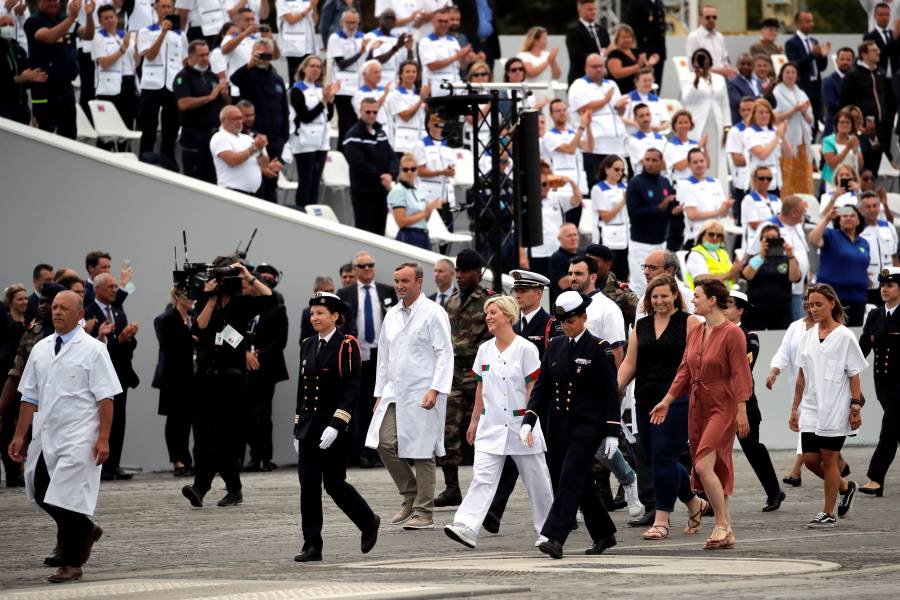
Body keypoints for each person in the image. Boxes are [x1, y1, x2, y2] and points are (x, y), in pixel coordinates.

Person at [7, 291, 120, 583]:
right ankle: (85, 529)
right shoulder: (41, 348)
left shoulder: (94, 350)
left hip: (80, 435)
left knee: (66, 499)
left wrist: (104, 438)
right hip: (47, 434)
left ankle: (72, 564)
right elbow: (29, 396)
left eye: (64, 308)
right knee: (43, 491)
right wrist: (19, 435)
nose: (56, 312)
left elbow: (106, 397)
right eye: (54, 307)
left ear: (79, 314)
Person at [443, 295, 554, 549]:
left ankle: (550, 531)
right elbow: (481, 387)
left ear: (508, 316)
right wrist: (473, 421)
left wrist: (529, 421)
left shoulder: (526, 348)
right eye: (486, 313)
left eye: (493, 312)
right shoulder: (484, 349)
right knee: (482, 477)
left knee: (537, 481)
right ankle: (467, 526)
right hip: (490, 425)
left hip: (521, 426)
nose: (488, 317)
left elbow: (533, 388)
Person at [652, 280, 753, 550]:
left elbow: (740, 373)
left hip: (723, 403)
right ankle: (726, 530)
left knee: (703, 465)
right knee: (716, 466)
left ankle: (721, 524)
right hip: (698, 403)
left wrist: (742, 409)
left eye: (697, 296)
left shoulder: (733, 333)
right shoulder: (696, 331)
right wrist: (667, 400)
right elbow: (685, 370)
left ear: (712, 300)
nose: (692, 300)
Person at [522, 290, 620, 559]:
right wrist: (529, 420)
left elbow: (610, 392)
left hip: (587, 427)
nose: (567, 326)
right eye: (563, 322)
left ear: (584, 317)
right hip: (559, 427)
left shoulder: (599, 349)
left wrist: (612, 430)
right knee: (581, 482)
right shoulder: (555, 345)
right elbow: (542, 388)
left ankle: (554, 536)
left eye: (572, 321)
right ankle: (603, 532)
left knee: (569, 479)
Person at [292, 292, 380, 562]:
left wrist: (336, 424)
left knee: (334, 483)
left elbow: (352, 389)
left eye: (320, 313)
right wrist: (297, 426)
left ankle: (368, 521)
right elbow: (302, 390)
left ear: (335, 316)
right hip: (309, 427)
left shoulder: (347, 345)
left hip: (334, 427)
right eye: (312, 313)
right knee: (308, 484)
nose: (314, 317)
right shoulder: (307, 344)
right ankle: (312, 544)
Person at [365, 262, 453, 530]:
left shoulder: (433, 313)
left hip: (423, 390)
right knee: (383, 440)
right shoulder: (391, 314)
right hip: (395, 391)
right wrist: (379, 393)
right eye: (396, 281)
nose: (400, 286)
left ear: (418, 281)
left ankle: (424, 512)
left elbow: (444, 353)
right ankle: (410, 493)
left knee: (423, 451)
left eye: (405, 281)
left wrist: (435, 389)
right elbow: (384, 358)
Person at [617, 274, 705, 540]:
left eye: (664, 295)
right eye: (654, 296)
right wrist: (613, 391)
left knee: (662, 457)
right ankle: (694, 503)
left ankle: (662, 519)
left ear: (675, 295)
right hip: (645, 399)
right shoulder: (641, 325)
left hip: (677, 399)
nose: (659, 301)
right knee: (657, 456)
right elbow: (630, 363)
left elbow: (695, 362)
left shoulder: (689, 322)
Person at [181, 261, 275, 508]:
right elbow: (199, 328)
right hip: (205, 378)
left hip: (231, 379)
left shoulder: (242, 303)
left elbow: (270, 300)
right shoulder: (205, 300)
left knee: (224, 437)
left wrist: (249, 277)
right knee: (203, 436)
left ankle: (210, 488)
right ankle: (219, 488)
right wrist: (210, 299)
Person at [791, 283, 867, 528]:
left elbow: (855, 374)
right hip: (811, 407)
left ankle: (827, 513)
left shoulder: (845, 336)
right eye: (811, 305)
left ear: (832, 304)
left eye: (818, 304)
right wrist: (795, 408)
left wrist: (855, 407)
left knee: (829, 458)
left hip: (836, 406)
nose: (814, 309)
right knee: (811, 459)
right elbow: (801, 375)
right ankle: (845, 486)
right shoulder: (807, 336)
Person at [438, 249, 492, 507]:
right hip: (454, 377)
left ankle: (485, 487)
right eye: (457, 271)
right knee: (448, 430)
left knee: (483, 432)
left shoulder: (490, 301)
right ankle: (452, 487)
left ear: (477, 273)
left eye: (464, 271)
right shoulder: (451, 301)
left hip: (480, 375)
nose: (459, 276)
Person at [724, 290, 786, 512]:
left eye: (729, 305)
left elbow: (741, 369)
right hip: (718, 401)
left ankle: (774, 491)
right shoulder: (711, 333)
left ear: (740, 310)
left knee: (752, 449)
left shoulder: (749, 336)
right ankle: (713, 497)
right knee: (714, 450)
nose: (724, 309)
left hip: (743, 401)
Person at [337, 252, 397, 468]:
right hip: (357, 356)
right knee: (360, 405)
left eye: (370, 265)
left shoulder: (386, 291)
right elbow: (340, 323)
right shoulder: (345, 293)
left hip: (382, 357)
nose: (367, 269)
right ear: (354, 269)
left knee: (380, 402)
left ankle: (381, 450)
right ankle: (362, 451)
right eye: (362, 266)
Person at [82, 273, 138, 483]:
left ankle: (114, 464)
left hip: (120, 375)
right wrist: (118, 340)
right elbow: (95, 349)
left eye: (116, 286)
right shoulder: (89, 313)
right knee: (102, 420)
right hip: (99, 375)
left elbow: (127, 348)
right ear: (97, 289)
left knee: (119, 421)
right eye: (110, 286)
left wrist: (129, 337)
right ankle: (102, 466)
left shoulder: (117, 312)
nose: (115, 290)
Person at [241, 265, 288, 472]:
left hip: (266, 368)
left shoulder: (276, 305)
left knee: (263, 414)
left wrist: (257, 355)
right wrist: (244, 354)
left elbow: (280, 340)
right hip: (242, 367)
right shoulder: (239, 306)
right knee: (245, 414)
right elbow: (227, 331)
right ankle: (250, 457)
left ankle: (264, 457)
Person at [767, 290, 816, 487]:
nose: (807, 304)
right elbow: (783, 353)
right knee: (809, 429)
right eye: (805, 300)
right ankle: (840, 463)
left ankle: (796, 472)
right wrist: (774, 371)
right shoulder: (795, 327)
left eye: (812, 301)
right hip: (798, 387)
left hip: (825, 389)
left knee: (808, 428)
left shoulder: (831, 328)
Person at [858, 266, 900, 496]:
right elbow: (861, 349)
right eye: (883, 285)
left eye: (890, 285)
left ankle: (875, 478)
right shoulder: (874, 315)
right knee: (897, 429)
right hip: (882, 383)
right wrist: (848, 373)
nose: (884, 289)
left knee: (889, 428)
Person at [230, 38, 289, 201]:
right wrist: (251, 63)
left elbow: (284, 110)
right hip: (253, 137)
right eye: (260, 54)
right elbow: (234, 79)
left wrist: (284, 138)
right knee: (255, 179)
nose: (264, 58)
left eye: (267, 55)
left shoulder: (277, 79)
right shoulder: (248, 74)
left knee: (272, 182)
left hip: (275, 139)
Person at [25, 0, 93, 139]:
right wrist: (72, 17)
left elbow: (88, 35)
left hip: (66, 87)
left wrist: (89, 15)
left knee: (69, 134)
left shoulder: (63, 18)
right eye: (48, 1)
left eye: (55, 0)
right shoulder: (33, 21)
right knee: (44, 135)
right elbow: (49, 36)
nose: (53, 3)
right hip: (45, 88)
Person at [568, 53, 630, 189]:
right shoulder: (579, 85)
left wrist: (620, 107)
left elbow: (619, 113)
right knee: (596, 185)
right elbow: (582, 109)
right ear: (586, 67)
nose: (599, 69)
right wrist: (604, 101)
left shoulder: (611, 84)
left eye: (601, 66)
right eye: (594, 66)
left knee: (618, 186)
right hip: (595, 147)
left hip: (616, 145)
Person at [151, 287, 195, 477]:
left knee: (191, 421)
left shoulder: (195, 317)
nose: (192, 299)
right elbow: (170, 345)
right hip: (175, 378)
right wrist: (191, 339)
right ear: (177, 296)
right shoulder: (165, 319)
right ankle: (178, 460)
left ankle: (189, 459)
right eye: (187, 295)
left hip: (195, 376)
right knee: (176, 420)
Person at [745, 195, 810, 320]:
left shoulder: (797, 226)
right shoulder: (769, 227)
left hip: (797, 286)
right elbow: (752, 253)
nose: (805, 214)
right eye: (803, 211)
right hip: (775, 290)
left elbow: (803, 253)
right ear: (794, 213)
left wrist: (806, 279)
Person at [136, 0, 184, 164]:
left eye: (169, 7)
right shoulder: (145, 31)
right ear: (156, 8)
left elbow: (184, 61)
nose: (166, 9)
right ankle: (144, 160)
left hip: (172, 85)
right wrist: (163, 32)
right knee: (148, 129)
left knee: (171, 130)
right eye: (163, 6)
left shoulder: (180, 34)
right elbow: (149, 55)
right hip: (151, 84)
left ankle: (167, 163)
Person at [809, 200, 871, 326]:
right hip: (833, 298)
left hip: (858, 298)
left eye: (852, 215)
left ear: (859, 220)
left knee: (853, 336)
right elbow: (813, 240)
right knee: (833, 337)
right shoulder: (831, 235)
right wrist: (827, 218)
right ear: (839, 219)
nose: (848, 218)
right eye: (844, 215)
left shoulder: (864, 243)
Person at [288, 54, 338, 209]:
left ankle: (313, 212)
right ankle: (301, 211)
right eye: (312, 66)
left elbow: (328, 116)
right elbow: (306, 117)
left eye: (319, 67)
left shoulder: (321, 89)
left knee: (316, 181)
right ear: (304, 68)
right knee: (306, 181)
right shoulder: (296, 90)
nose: (316, 70)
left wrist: (329, 101)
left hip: (321, 142)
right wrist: (324, 101)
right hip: (304, 142)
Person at [626, 148, 677, 299]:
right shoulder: (636, 183)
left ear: (661, 163)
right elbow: (633, 213)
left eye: (654, 160)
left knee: (661, 284)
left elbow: (668, 210)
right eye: (647, 160)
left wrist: (674, 211)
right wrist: (659, 207)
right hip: (641, 243)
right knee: (640, 284)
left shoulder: (665, 182)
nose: (650, 163)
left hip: (660, 243)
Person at [342, 97, 398, 235]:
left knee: (379, 233)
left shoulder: (381, 132)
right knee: (365, 233)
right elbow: (359, 164)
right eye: (368, 112)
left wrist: (391, 174)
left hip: (381, 191)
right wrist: (381, 177)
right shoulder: (353, 135)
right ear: (360, 112)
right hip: (363, 192)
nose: (372, 115)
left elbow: (392, 157)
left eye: (375, 112)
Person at [174, 40, 227, 184]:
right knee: (194, 178)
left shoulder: (212, 76)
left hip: (213, 133)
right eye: (201, 55)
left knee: (212, 178)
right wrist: (210, 97)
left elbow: (224, 104)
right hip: (193, 133)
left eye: (206, 54)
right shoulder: (183, 77)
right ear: (191, 56)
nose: (205, 58)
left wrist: (223, 93)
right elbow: (183, 104)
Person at [679, 48, 729, 184]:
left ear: (710, 61)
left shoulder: (719, 79)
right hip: (697, 123)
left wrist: (727, 127)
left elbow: (725, 104)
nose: (702, 63)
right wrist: (696, 78)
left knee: (717, 156)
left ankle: (718, 186)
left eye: (705, 59)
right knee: (697, 153)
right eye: (698, 60)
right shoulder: (688, 78)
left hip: (717, 123)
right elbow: (687, 99)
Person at [840, 41, 889, 176]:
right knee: (862, 166)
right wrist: (855, 126)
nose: (878, 52)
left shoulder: (880, 73)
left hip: (879, 128)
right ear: (864, 54)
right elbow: (845, 104)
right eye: (874, 50)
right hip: (861, 130)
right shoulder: (853, 75)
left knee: (875, 166)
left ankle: (871, 195)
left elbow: (887, 100)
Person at [92, 3, 137, 150]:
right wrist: (122, 49)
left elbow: (135, 62)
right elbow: (103, 63)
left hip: (128, 82)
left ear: (117, 18)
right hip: (109, 87)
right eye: (105, 18)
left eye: (112, 17)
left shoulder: (124, 35)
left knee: (126, 123)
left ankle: (124, 153)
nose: (110, 20)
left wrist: (137, 50)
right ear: (100, 22)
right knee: (107, 129)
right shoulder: (99, 37)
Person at [210, 105, 281, 195]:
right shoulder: (220, 137)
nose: (239, 122)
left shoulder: (248, 138)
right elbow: (232, 161)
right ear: (223, 120)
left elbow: (264, 164)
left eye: (240, 118)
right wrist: (254, 147)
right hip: (232, 191)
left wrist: (260, 150)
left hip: (254, 192)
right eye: (235, 119)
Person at [742, 223, 801, 330]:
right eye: (767, 237)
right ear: (761, 241)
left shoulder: (787, 259)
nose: (770, 240)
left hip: (781, 311)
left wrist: (791, 255)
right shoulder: (755, 258)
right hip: (756, 310)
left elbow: (795, 278)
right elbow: (747, 275)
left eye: (773, 237)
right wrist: (761, 256)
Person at [530, 160, 583, 279]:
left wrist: (571, 182)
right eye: (540, 184)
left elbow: (577, 199)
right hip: (538, 252)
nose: (544, 188)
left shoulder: (556, 197)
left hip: (558, 251)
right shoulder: (527, 202)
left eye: (546, 184)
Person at [772, 63, 814, 197]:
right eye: (787, 72)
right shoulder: (776, 92)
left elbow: (810, 119)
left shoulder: (801, 93)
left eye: (793, 72)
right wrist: (793, 110)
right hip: (787, 139)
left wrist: (803, 112)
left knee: (803, 176)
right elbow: (775, 118)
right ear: (781, 75)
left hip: (802, 140)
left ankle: (804, 204)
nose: (790, 75)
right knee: (788, 176)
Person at [785, 10, 829, 137]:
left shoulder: (814, 41)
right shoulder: (792, 43)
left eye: (812, 21)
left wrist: (823, 56)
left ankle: (813, 145)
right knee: (803, 120)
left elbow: (821, 67)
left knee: (815, 119)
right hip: (803, 85)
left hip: (816, 86)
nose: (811, 24)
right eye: (807, 21)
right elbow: (794, 66)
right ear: (798, 24)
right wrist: (812, 55)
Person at [0, 284, 27, 487]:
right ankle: (11, 472)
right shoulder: (5, 322)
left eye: (26, 298)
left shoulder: (30, 322)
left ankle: (20, 468)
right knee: (8, 426)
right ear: (10, 301)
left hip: (25, 380)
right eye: (20, 299)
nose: (24, 302)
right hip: (7, 378)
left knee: (23, 424)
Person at [327, 8, 367, 146]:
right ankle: (342, 153)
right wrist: (360, 53)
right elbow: (341, 64)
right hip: (342, 88)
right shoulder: (336, 38)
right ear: (342, 22)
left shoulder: (362, 38)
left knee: (358, 123)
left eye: (354, 23)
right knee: (345, 124)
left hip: (358, 87)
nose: (351, 26)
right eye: (349, 22)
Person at [677, 149, 731, 248]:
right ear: (689, 165)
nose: (699, 164)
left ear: (706, 162)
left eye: (701, 161)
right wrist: (719, 211)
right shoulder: (685, 185)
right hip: (697, 238)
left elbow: (724, 213)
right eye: (695, 162)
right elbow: (692, 214)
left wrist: (727, 208)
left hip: (717, 236)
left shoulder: (716, 182)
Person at [388, 153, 443, 249]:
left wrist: (430, 209)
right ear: (400, 170)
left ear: (417, 170)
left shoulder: (419, 190)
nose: (409, 172)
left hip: (423, 234)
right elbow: (401, 222)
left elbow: (424, 220)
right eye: (405, 169)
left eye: (413, 169)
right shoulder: (398, 190)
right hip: (409, 235)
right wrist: (425, 212)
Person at [863, 3, 898, 143]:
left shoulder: (893, 34)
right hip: (879, 81)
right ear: (875, 16)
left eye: (887, 14)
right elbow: (878, 55)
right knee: (879, 118)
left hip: (894, 81)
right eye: (881, 14)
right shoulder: (870, 36)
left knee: (891, 119)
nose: (884, 17)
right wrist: (892, 40)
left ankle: (888, 153)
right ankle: (877, 150)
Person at [1, 12, 43, 124]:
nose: (8, 27)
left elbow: (26, 75)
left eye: (10, 24)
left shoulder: (18, 49)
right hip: (3, 107)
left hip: (21, 106)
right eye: (4, 25)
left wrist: (32, 78)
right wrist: (20, 78)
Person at [592, 155, 629, 278]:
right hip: (608, 235)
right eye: (616, 169)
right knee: (609, 273)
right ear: (606, 169)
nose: (620, 173)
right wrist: (623, 202)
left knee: (623, 273)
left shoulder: (625, 187)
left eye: (622, 170)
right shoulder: (598, 189)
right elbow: (605, 216)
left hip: (625, 235)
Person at [418, 7, 469, 97]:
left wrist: (464, 56)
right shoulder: (426, 41)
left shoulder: (453, 40)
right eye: (440, 21)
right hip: (437, 88)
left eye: (446, 21)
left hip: (456, 87)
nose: (443, 24)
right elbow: (432, 66)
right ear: (433, 22)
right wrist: (456, 57)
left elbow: (463, 67)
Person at [860, 192, 900, 306]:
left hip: (889, 283)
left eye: (875, 206)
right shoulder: (858, 230)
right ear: (861, 209)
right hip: (869, 285)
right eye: (868, 206)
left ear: (879, 207)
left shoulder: (888, 226)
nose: (872, 209)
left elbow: (894, 256)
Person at [684, 220, 742, 289]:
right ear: (702, 235)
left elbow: (734, 279)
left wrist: (736, 270)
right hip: (705, 297)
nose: (715, 237)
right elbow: (700, 279)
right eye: (711, 234)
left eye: (719, 235)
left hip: (727, 295)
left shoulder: (723, 253)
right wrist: (728, 275)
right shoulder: (696, 254)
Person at [745, 99, 788, 192]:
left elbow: (788, 154)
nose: (764, 115)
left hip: (775, 177)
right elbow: (762, 155)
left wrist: (783, 136)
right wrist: (777, 137)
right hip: (759, 176)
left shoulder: (774, 130)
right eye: (761, 112)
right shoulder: (750, 132)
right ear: (754, 114)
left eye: (767, 112)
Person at [388, 61, 429, 157]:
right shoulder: (396, 94)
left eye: (414, 72)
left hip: (420, 140)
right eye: (407, 71)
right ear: (401, 75)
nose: (411, 74)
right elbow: (405, 116)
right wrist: (421, 100)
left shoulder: (417, 94)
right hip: (405, 143)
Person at [725, 97, 755, 223]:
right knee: (742, 219)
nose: (747, 113)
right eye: (743, 110)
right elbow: (737, 159)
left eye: (750, 109)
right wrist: (758, 155)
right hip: (742, 182)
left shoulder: (764, 129)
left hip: (762, 181)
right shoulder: (735, 131)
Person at [565, 0, 608, 85]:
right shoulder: (574, 30)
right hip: (581, 77)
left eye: (594, 9)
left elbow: (607, 47)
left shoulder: (602, 30)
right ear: (580, 11)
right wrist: (597, 58)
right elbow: (576, 55)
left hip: (601, 79)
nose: (593, 12)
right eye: (590, 10)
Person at [365, 10, 412, 88]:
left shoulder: (397, 38)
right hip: (380, 83)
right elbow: (375, 61)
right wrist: (396, 47)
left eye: (392, 19)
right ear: (380, 19)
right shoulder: (371, 36)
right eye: (387, 18)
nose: (390, 21)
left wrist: (409, 49)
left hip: (396, 83)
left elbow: (407, 63)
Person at [606, 24, 658, 95]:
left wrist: (651, 63)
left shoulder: (637, 52)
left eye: (629, 37)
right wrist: (637, 67)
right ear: (617, 39)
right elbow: (616, 73)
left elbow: (647, 70)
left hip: (641, 90)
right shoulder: (614, 54)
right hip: (622, 90)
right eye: (624, 37)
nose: (627, 40)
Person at [685, 5, 734, 78]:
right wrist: (721, 71)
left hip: (722, 79)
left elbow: (725, 60)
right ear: (700, 18)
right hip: (704, 80)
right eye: (708, 17)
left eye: (714, 17)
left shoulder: (719, 37)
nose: (711, 20)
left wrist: (728, 69)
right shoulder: (694, 37)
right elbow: (693, 67)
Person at [625, 0, 666, 86]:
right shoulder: (637, 3)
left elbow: (661, 28)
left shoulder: (658, 2)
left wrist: (661, 52)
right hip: (644, 50)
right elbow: (632, 29)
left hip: (658, 51)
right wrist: (640, 51)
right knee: (644, 82)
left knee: (656, 83)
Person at [822, 109, 864, 192]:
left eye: (848, 122)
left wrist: (856, 151)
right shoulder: (828, 141)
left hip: (851, 181)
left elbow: (861, 165)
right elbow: (832, 164)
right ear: (836, 125)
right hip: (833, 181)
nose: (845, 125)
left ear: (851, 125)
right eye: (841, 122)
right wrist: (848, 148)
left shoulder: (854, 139)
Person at [518, 26, 560, 107]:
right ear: (535, 40)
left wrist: (553, 60)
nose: (547, 41)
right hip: (532, 98)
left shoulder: (547, 55)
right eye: (544, 38)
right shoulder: (523, 56)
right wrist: (548, 61)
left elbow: (556, 76)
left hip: (548, 97)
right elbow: (530, 73)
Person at [277, 0, 319, 80]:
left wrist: (314, 6)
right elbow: (291, 20)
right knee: (295, 77)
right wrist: (309, 8)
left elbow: (315, 21)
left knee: (308, 78)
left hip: (309, 45)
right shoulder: (283, 1)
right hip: (294, 46)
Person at [741, 166, 781, 246]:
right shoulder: (749, 199)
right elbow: (754, 225)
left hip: (775, 241)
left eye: (769, 178)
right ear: (754, 179)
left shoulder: (776, 199)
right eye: (761, 178)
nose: (765, 181)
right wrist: (774, 221)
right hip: (756, 243)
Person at [622, 68, 669, 134]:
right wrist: (636, 124)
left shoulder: (658, 100)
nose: (647, 83)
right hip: (633, 138)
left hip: (654, 137)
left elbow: (666, 121)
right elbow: (620, 118)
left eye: (650, 80)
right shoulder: (627, 99)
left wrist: (660, 128)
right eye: (644, 81)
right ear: (636, 82)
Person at [625, 103, 667, 177]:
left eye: (648, 115)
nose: (646, 118)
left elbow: (668, 161)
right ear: (635, 119)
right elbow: (648, 164)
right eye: (642, 116)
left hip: (662, 179)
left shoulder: (662, 138)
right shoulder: (633, 141)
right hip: (643, 180)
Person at [822, 48, 856, 137]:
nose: (845, 62)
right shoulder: (828, 81)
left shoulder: (858, 79)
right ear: (837, 61)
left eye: (848, 60)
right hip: (834, 128)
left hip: (855, 128)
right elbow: (831, 105)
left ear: (853, 61)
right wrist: (852, 109)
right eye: (842, 59)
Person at [663, 110, 704, 184]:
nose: (683, 125)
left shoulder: (695, 144)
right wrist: (697, 151)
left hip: (696, 184)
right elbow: (679, 167)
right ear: (674, 125)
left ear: (690, 125)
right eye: (680, 123)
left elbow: (706, 165)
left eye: (686, 122)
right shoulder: (670, 145)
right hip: (678, 184)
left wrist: (705, 148)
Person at [454, 0, 498, 69]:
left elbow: (491, 19)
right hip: (471, 44)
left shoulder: (489, 1)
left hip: (488, 43)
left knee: (488, 74)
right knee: (474, 74)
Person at [548, 223, 580, 304]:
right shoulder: (556, 258)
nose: (573, 238)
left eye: (575, 235)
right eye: (569, 236)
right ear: (559, 239)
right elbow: (563, 283)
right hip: (566, 303)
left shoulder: (584, 253)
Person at [727, 54, 763, 125]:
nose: (745, 66)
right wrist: (761, 98)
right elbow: (738, 103)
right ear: (737, 66)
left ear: (753, 66)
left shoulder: (759, 82)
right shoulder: (732, 83)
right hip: (742, 123)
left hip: (759, 122)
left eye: (749, 64)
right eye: (742, 64)